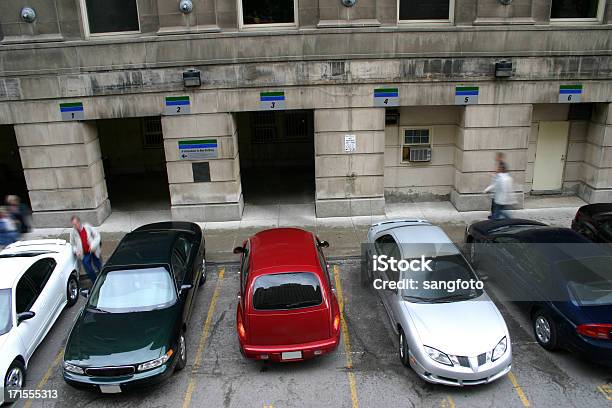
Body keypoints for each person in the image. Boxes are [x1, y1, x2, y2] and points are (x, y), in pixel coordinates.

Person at [69, 216, 102, 284]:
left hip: (93, 250)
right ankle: (95, 282)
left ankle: (103, 277)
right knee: (88, 268)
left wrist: (93, 245)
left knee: (98, 264)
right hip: (84, 253)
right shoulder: (73, 232)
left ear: (79, 222)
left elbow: (97, 236)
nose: (74, 226)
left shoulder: (87, 227)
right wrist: (76, 251)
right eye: (73, 225)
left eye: (75, 224)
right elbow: (72, 244)